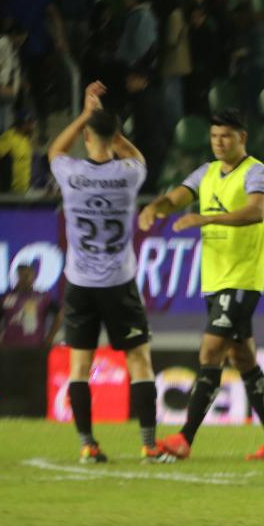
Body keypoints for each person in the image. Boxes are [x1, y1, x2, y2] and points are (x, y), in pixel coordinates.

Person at [139, 109, 264, 462]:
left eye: (226, 136)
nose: (219, 143)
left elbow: (255, 211)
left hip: (242, 278)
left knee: (210, 353)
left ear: (242, 138)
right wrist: (155, 207)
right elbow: (176, 198)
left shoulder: (256, 172)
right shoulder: (205, 173)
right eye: (214, 136)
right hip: (214, 280)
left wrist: (206, 218)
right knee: (243, 359)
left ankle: (184, 438)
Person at [48, 79, 160, 459]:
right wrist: (114, 133)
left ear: (86, 137)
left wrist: (85, 115)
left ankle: (87, 446)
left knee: (80, 366)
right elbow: (137, 157)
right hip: (118, 283)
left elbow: (55, 149)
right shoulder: (129, 174)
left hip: (80, 283)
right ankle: (148, 445)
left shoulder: (70, 174)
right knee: (139, 360)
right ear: (114, 138)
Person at [0, 262, 59, 350]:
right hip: (9, 347)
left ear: (34, 277)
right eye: (22, 275)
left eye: (27, 275)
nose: (25, 279)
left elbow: (59, 315)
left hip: (36, 346)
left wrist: (49, 339)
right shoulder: (6, 297)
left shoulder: (42, 297)